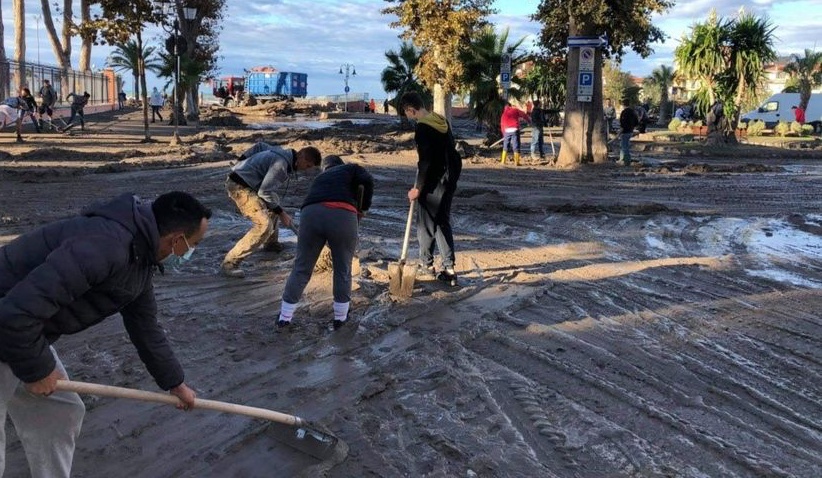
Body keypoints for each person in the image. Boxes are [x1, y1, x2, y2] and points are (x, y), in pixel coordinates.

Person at [0, 191, 211, 477]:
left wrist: (175, 383)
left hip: (22, 333)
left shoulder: (140, 258)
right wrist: (38, 370)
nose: (189, 252)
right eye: (192, 244)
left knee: (59, 412)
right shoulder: (105, 245)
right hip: (10, 326)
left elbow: (145, 326)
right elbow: (15, 313)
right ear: (176, 240)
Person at [277, 155, 374, 329]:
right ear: (340, 164)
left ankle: (284, 317)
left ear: (325, 168)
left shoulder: (320, 178)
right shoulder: (350, 168)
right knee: (342, 269)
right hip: (342, 214)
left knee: (301, 268)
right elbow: (367, 180)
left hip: (310, 213)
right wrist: (363, 208)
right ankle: (340, 318)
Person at [222, 145, 322, 278]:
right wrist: (282, 213)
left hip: (250, 185)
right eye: (308, 165)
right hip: (239, 187)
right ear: (301, 156)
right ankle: (229, 263)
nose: (306, 170)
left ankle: (271, 243)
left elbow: (259, 146)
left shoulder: (283, 152)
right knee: (263, 225)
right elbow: (264, 192)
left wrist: (241, 161)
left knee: (274, 201)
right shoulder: (281, 164)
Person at [400, 91, 462, 285]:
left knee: (427, 223)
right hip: (449, 176)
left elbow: (426, 162)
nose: (408, 117)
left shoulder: (423, 129)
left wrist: (418, 188)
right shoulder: (440, 120)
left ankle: (426, 264)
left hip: (434, 180)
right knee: (441, 220)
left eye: (407, 113)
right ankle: (449, 268)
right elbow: (450, 150)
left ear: (411, 110)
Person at [499, 101, 530, 166]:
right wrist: (529, 121)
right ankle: (516, 162)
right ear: (510, 106)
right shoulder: (515, 110)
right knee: (516, 144)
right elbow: (524, 115)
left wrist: (503, 134)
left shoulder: (504, 114)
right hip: (515, 129)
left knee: (505, 145)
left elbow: (502, 125)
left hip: (507, 130)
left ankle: (503, 161)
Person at [619, 98, 639, 166]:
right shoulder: (633, 112)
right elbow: (636, 122)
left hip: (625, 131)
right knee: (624, 145)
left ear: (623, 104)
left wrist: (621, 130)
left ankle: (626, 161)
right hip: (630, 131)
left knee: (624, 146)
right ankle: (621, 159)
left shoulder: (624, 112)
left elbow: (622, 122)